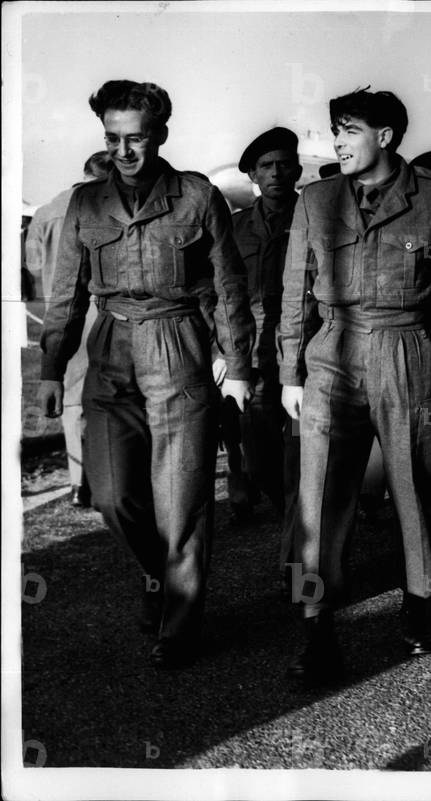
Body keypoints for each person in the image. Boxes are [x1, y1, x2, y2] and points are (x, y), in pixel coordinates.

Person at [38, 80, 254, 669]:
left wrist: (237, 367)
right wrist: (52, 370)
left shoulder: (195, 196)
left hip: (177, 342)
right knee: (112, 497)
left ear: (160, 134)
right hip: (109, 350)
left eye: (135, 139)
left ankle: (181, 624)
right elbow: (65, 296)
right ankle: (160, 578)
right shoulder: (86, 203)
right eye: (113, 140)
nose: (124, 152)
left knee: (181, 500)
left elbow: (230, 287)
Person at [278, 88, 431, 686]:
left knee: (416, 483)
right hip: (332, 353)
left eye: (349, 130)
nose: (337, 142)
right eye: (335, 131)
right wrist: (288, 371)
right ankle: (316, 627)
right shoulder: (316, 199)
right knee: (320, 501)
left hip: (407, 347)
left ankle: (421, 603)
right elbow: (293, 290)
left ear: (385, 136)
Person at [216, 127, 304, 576]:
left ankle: (300, 566)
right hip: (253, 358)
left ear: (298, 170)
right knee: (264, 461)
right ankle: (290, 520)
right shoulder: (233, 228)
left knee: (301, 465)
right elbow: (218, 293)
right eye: (265, 165)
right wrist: (223, 352)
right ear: (251, 174)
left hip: (305, 357)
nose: (275, 172)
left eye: (284, 163)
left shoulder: (315, 218)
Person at [25, 151, 112, 507]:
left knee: (71, 398)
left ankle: (79, 484)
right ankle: (109, 477)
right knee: (113, 395)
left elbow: (33, 267)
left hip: (57, 312)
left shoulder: (46, 211)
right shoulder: (103, 207)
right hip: (100, 309)